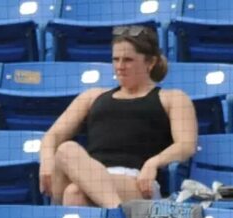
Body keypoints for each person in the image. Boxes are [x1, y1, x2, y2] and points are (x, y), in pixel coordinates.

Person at [38, 24, 196, 208]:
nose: (120, 66)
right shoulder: (92, 96)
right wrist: (47, 162)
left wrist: (153, 163)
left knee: (75, 193)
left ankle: (110, 217)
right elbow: (52, 136)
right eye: (115, 59)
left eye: (128, 60)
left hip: (136, 181)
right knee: (66, 149)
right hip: (88, 172)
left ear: (150, 62)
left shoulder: (173, 98)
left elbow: (186, 145)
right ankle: (119, 212)